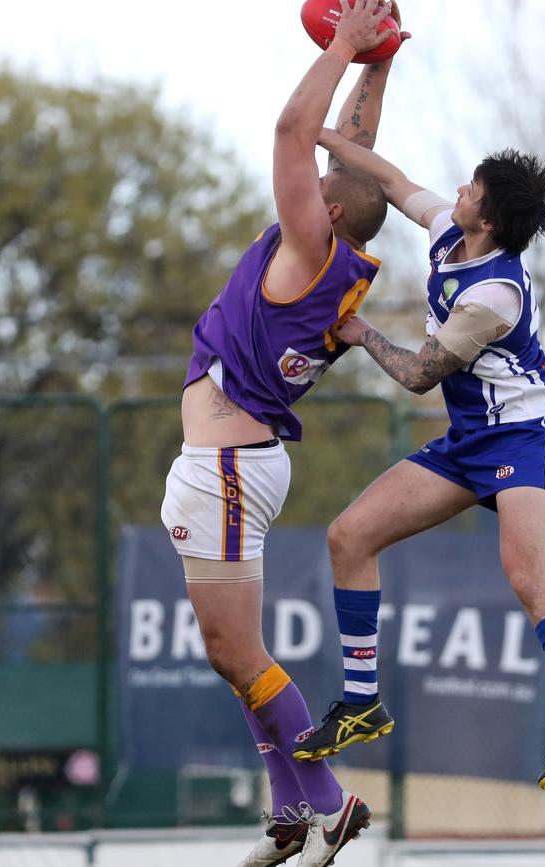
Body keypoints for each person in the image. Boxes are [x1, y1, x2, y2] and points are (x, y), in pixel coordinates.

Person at [293, 130, 545, 793]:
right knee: (349, 536)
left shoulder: (496, 293)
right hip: (470, 436)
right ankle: (362, 703)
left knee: (529, 576)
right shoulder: (450, 228)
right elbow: (388, 179)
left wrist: (359, 331)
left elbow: (419, 374)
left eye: (472, 188)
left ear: (491, 220)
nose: (460, 190)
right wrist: (320, 134)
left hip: (527, 433)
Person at [161, 3, 408, 865]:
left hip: (229, 467)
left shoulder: (309, 243)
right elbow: (344, 148)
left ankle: (329, 801)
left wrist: (340, 43)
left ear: (327, 214)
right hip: (235, 463)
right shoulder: (340, 253)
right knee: (239, 657)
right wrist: (378, 63)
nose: (306, 179)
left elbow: (294, 130)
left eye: (317, 189)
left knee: (236, 650)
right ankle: (287, 810)